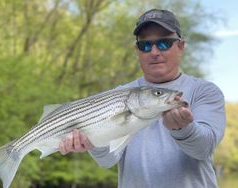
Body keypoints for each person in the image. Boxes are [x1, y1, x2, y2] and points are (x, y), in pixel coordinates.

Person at [59, 9, 226, 188]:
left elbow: (204, 149)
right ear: (137, 51)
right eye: (145, 45)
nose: (154, 52)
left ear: (180, 46)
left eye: (164, 43)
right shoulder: (118, 95)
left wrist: (184, 129)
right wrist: (91, 143)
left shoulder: (204, 91)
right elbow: (107, 160)